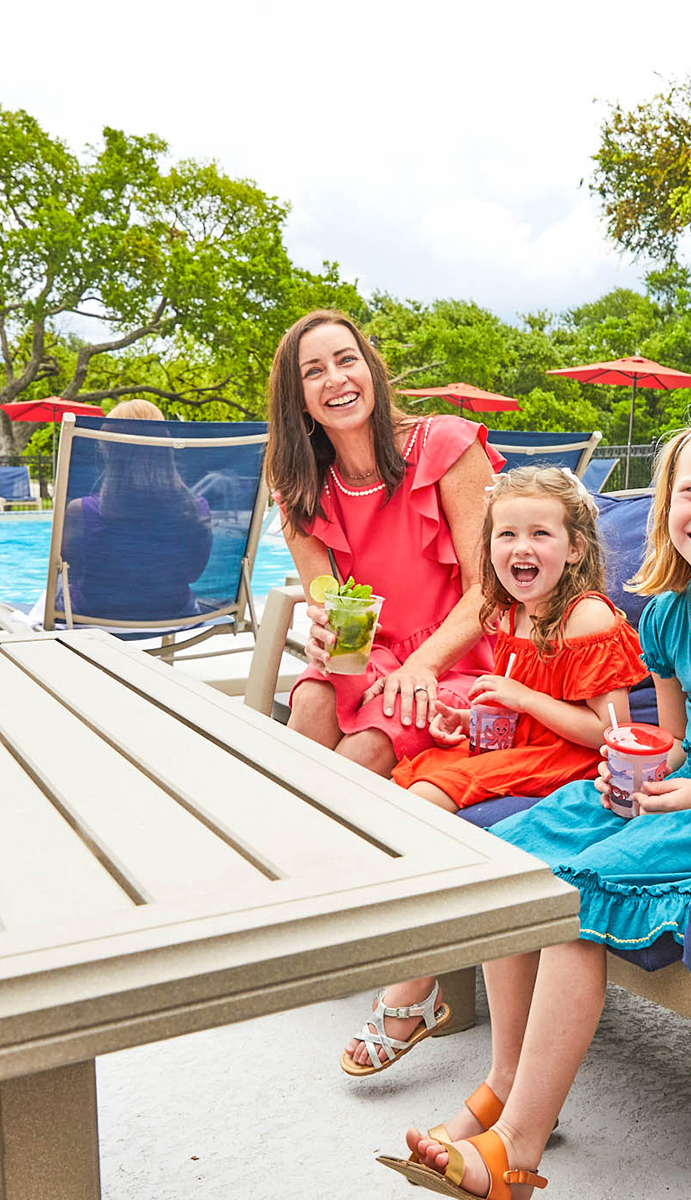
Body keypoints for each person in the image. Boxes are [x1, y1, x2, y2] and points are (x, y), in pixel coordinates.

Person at [380, 401, 691, 1199]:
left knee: (577, 897)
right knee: (505, 865)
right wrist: (632, 770)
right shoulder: (667, 615)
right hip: (688, 789)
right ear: (667, 500)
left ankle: (517, 1149)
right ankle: (506, 1081)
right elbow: (674, 740)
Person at [340, 467, 650, 1077]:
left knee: (426, 803)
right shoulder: (506, 612)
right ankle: (417, 967)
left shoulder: (586, 618)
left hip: (573, 758)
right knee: (403, 796)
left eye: (540, 533)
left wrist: (522, 698)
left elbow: (611, 735)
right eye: (506, 534)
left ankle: (414, 988)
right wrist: (465, 719)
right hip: (523, 743)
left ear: (575, 549)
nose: (520, 547)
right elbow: (512, 706)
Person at [264, 311, 505, 1070]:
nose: (336, 379)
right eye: (314, 371)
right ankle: (320, 900)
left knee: (370, 741)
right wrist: (327, 640)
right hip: (371, 652)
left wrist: (419, 667)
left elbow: (489, 591)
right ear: (298, 398)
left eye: (346, 360)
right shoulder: (300, 485)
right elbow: (332, 609)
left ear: (370, 367)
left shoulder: (447, 447)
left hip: (457, 649)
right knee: (309, 703)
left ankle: (354, 923)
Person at [61, 398, 214, 621]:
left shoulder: (81, 512)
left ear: (108, 452)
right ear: (166, 447)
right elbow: (194, 574)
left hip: (92, 619)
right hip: (176, 616)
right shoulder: (196, 510)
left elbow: (69, 574)